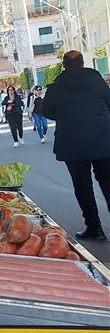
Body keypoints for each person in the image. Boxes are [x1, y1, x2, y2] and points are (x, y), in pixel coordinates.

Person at [41, 50, 110, 241]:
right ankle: (94, 227)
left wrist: (65, 115)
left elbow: (46, 110)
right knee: (107, 180)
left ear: (63, 65)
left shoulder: (57, 86)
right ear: (82, 63)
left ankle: (94, 228)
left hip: (73, 143)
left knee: (82, 185)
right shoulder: (96, 80)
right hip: (103, 140)